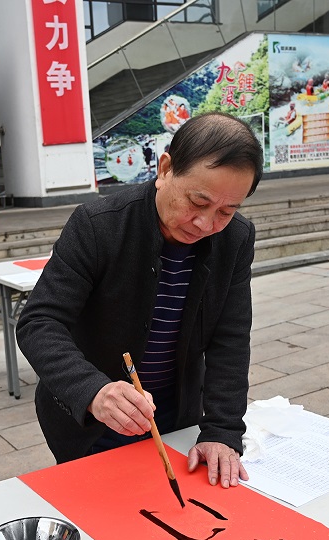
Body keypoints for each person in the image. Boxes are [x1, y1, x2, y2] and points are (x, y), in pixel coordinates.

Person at [17, 112, 261, 488]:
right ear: (165, 169)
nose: (205, 224)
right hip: (95, 420)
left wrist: (222, 430)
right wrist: (92, 390)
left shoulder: (235, 239)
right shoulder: (99, 225)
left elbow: (230, 338)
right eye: (197, 202)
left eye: (226, 211)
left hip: (177, 415)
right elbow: (39, 321)